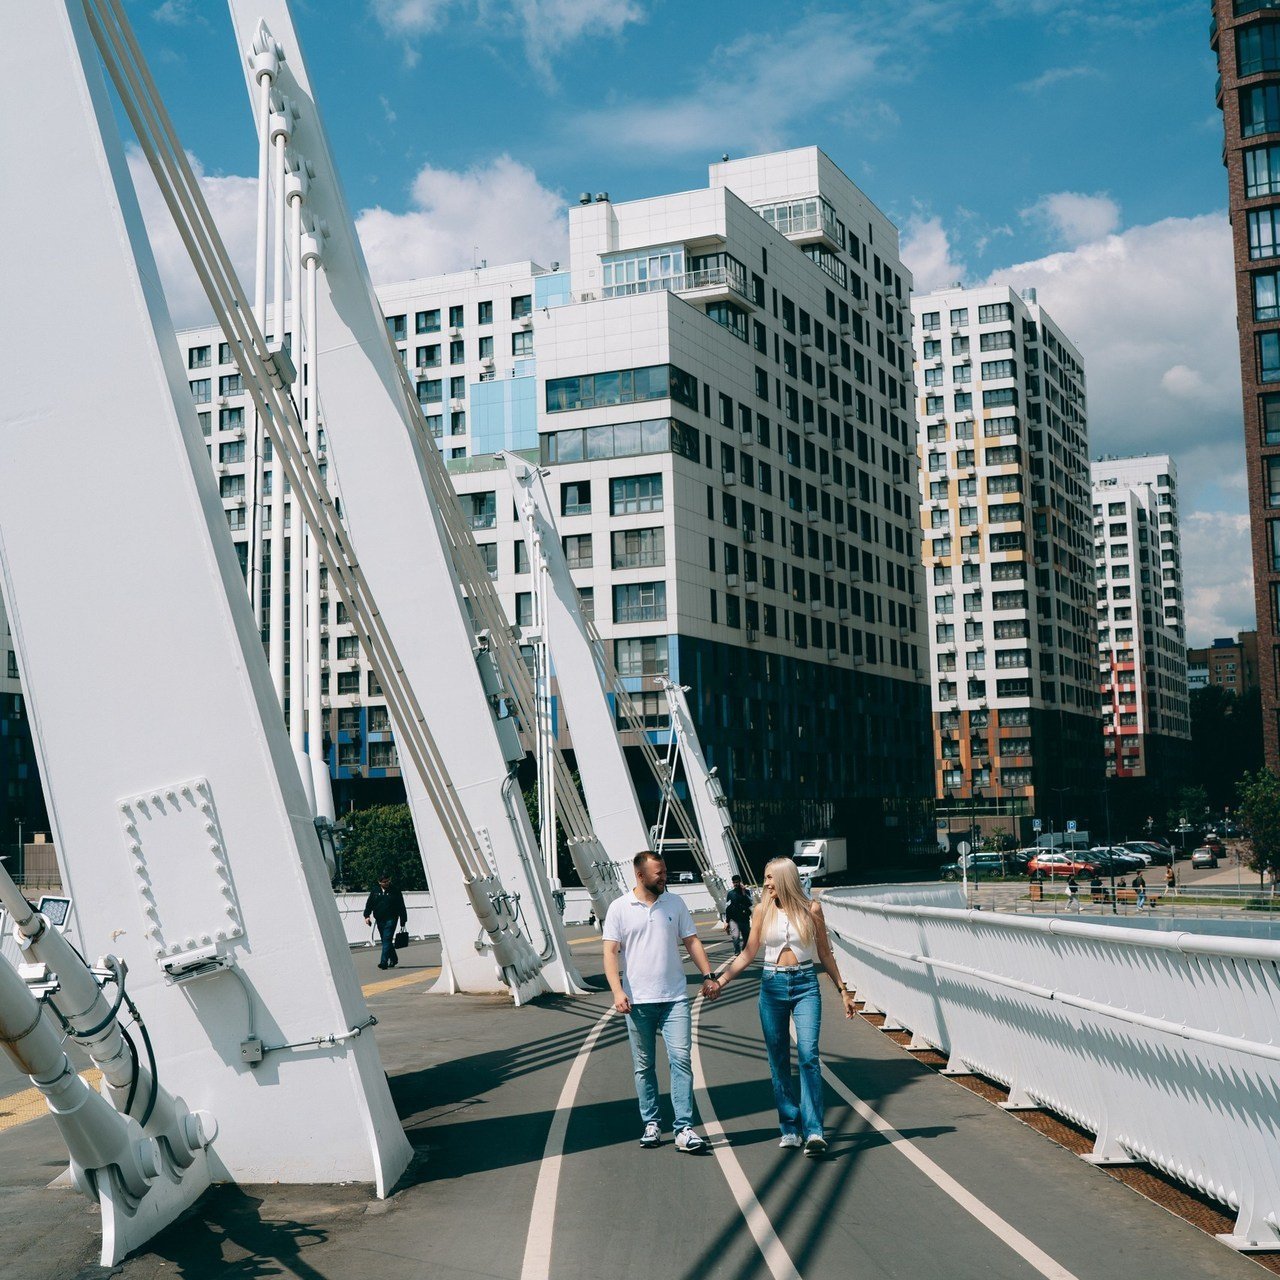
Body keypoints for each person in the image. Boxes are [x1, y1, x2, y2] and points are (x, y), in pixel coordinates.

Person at [712, 857, 857, 1156]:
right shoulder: (762, 910)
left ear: (785, 879)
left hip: (806, 985)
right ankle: (790, 1127)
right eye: (765, 878)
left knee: (808, 1056)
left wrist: (843, 990)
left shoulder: (812, 908)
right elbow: (748, 954)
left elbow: (825, 954)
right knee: (778, 1059)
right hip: (772, 985)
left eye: (769, 878)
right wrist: (720, 981)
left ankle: (814, 1131)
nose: (765, 884)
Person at [603, 852, 718, 1153]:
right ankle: (651, 1123)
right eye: (659, 873)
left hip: (675, 998)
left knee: (681, 1059)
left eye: (665, 871)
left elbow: (691, 940)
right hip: (638, 1000)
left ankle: (684, 1129)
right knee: (644, 1066)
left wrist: (708, 974)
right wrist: (617, 991)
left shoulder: (675, 903)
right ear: (640, 876)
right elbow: (610, 952)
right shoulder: (619, 908)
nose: (665, 876)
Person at [363, 871, 407, 970]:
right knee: (385, 940)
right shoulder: (375, 891)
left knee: (387, 939)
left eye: (387, 881)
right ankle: (394, 958)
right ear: (379, 882)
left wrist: (403, 920)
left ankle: (383, 962)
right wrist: (366, 916)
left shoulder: (395, 891)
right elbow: (369, 904)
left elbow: (401, 906)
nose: (386, 883)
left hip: (392, 918)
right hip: (379, 919)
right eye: (384, 881)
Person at [723, 874, 754, 956]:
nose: (735, 884)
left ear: (740, 882)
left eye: (737, 882)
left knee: (746, 938)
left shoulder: (746, 892)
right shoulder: (730, 894)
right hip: (734, 919)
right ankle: (737, 953)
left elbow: (749, 903)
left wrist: (744, 893)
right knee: (735, 937)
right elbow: (728, 907)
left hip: (744, 919)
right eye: (734, 882)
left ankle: (744, 951)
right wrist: (726, 921)